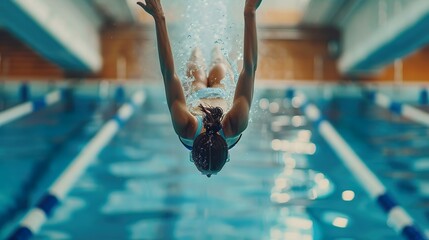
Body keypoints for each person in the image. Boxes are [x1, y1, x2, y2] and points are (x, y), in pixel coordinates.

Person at [137, 0, 262, 177]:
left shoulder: (234, 124)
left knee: (198, 59)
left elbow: (250, 69)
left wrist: (249, 11)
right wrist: (159, 18)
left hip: (202, 90)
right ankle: (212, 47)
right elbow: (168, 74)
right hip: (207, 91)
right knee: (216, 62)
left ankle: (203, 45)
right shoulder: (187, 127)